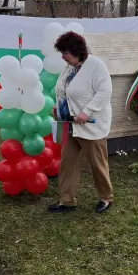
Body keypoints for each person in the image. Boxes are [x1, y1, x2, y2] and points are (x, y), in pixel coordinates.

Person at [48, 32, 114, 214]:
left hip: (91, 125)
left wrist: (87, 111)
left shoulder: (95, 65)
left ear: (77, 51)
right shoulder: (70, 67)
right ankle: (67, 200)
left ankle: (106, 198)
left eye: (65, 53)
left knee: (98, 164)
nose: (62, 56)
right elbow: (63, 89)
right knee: (67, 162)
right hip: (69, 124)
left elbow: (105, 90)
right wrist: (59, 106)